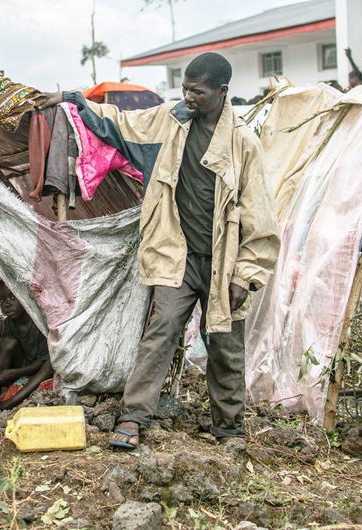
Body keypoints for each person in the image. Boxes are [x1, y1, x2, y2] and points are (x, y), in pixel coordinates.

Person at [40, 52, 280, 449]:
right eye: (185, 88)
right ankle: (134, 418)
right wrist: (72, 97)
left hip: (223, 263)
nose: (188, 96)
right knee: (161, 330)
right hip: (177, 254)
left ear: (222, 92)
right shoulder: (171, 121)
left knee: (224, 343)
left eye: (197, 91)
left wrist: (246, 274)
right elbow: (119, 121)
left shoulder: (243, 144)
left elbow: (260, 218)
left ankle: (229, 428)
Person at [0, 283, 55, 410]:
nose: (7, 304)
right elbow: (5, 355)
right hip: (19, 369)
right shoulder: (6, 325)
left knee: (51, 362)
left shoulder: (38, 323)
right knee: (7, 343)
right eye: (2, 299)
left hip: (39, 370)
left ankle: (11, 401)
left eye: (12, 297)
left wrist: (12, 373)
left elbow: (42, 362)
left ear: (24, 297)